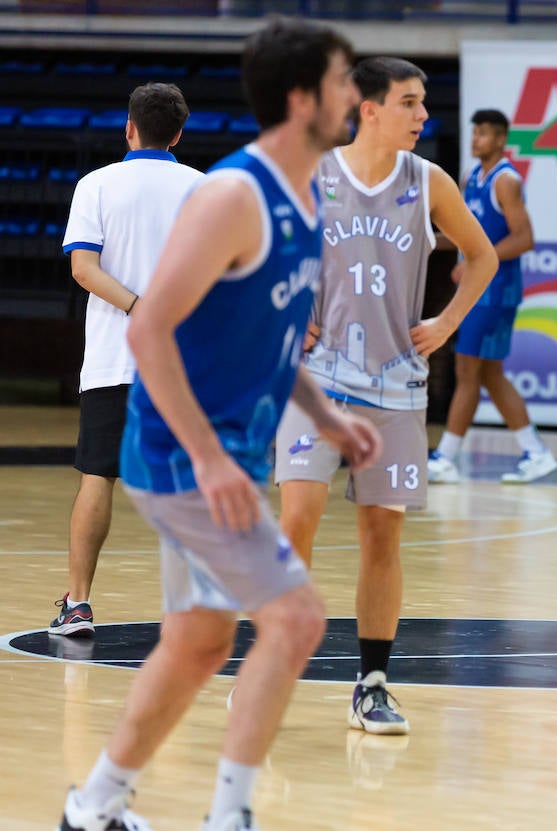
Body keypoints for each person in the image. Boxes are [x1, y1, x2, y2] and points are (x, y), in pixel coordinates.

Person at [55, 19, 376, 831]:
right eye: (346, 82)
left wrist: (325, 415)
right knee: (296, 618)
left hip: (218, 454)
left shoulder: (304, 198)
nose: (358, 97)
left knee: (197, 643)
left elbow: (268, 341)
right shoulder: (234, 194)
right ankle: (230, 814)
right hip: (179, 457)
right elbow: (148, 329)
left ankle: (92, 805)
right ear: (303, 98)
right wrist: (210, 457)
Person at [273, 56, 497, 735]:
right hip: (316, 381)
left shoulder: (427, 181)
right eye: (410, 102)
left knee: (382, 534)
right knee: (297, 520)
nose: (424, 116)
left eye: (423, 103)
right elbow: (262, 257)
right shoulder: (312, 173)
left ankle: (371, 683)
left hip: (397, 386)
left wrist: (448, 322)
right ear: (368, 109)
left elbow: (482, 255)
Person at [49, 82, 203, 637]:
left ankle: (79, 604)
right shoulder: (203, 189)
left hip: (116, 360)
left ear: (129, 127)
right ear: (179, 133)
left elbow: (84, 270)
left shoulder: (97, 185)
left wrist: (140, 307)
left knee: (97, 478)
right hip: (183, 364)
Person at [428, 108, 557, 485]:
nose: (476, 139)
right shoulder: (471, 178)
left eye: (484, 133)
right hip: (478, 288)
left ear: (501, 139)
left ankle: (446, 456)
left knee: (467, 370)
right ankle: (535, 452)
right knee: (487, 374)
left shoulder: (506, 181)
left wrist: (474, 263)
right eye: (475, 132)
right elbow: (470, 234)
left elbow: (524, 238)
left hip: (496, 291)